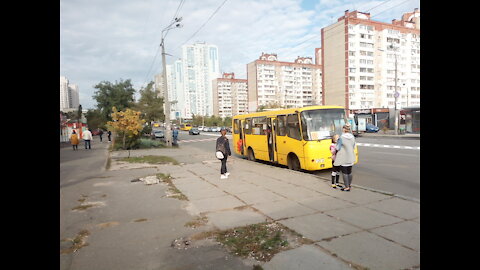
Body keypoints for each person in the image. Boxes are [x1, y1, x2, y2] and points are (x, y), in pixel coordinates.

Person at [334, 125, 356, 191]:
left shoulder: (341, 138)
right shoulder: (352, 137)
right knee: (349, 172)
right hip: (351, 156)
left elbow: (337, 148)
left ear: (343, 129)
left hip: (343, 157)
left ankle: (346, 187)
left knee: (344, 172)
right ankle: (349, 185)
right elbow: (354, 146)